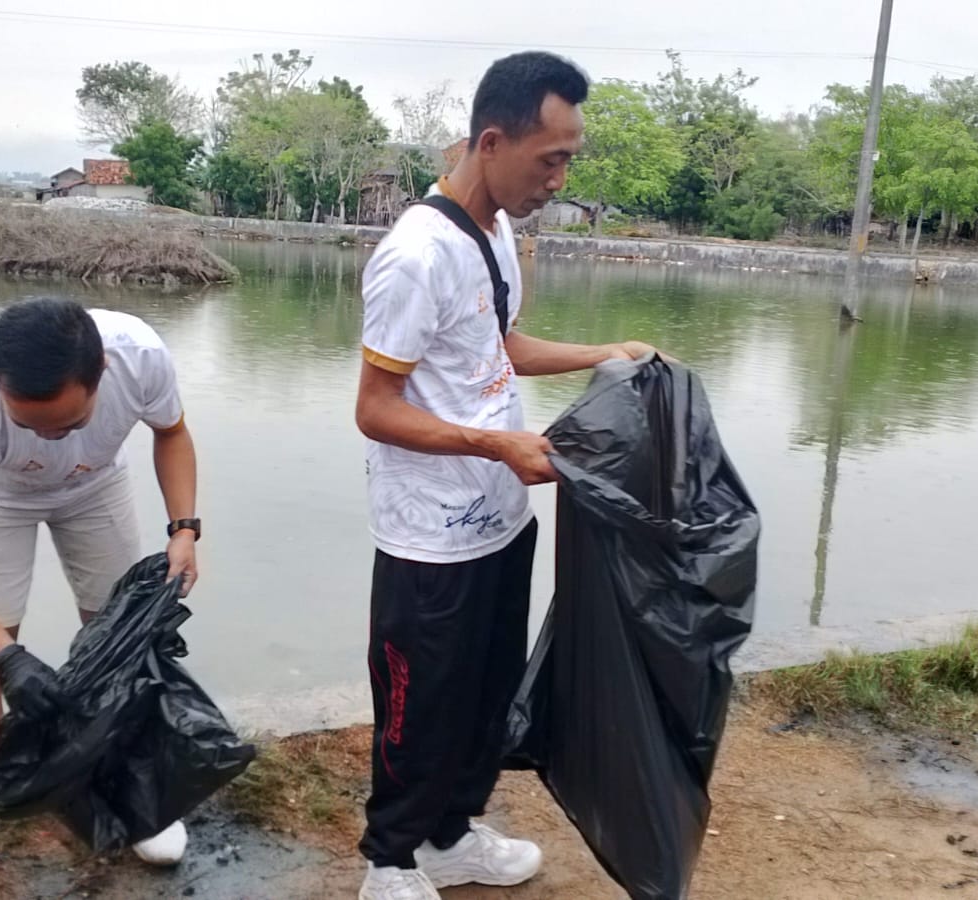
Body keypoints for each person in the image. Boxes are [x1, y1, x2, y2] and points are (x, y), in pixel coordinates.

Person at [353, 52, 667, 900]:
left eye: (569, 160)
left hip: (500, 518)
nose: (559, 180)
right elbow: (375, 409)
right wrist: (497, 446)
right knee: (421, 702)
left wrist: (606, 352)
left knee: (486, 692)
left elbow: (498, 348)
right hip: (429, 537)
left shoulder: (493, 232)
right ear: (491, 142)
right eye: (550, 160)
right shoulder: (415, 256)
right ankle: (389, 862)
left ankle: (450, 836)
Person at [0, 297, 202, 900]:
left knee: (119, 646)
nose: (49, 436)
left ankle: (132, 795)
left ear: (102, 373)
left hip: (95, 484)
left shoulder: (139, 355)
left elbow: (172, 433)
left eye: (67, 423)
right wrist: (7, 657)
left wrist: (184, 529)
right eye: (30, 425)